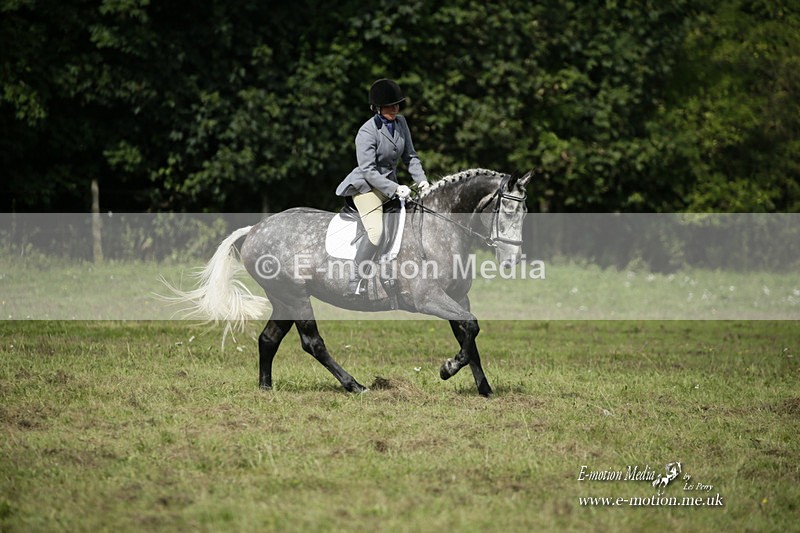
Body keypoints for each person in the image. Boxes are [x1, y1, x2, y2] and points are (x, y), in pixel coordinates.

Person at [335, 78, 430, 295]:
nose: (395, 109)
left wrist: (421, 180)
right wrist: (395, 189)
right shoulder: (366, 132)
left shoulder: (401, 123)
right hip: (366, 187)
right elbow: (368, 170)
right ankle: (355, 280)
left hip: (389, 185)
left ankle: (389, 274)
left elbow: (411, 156)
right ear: (377, 108)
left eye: (397, 105)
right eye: (390, 105)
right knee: (377, 232)